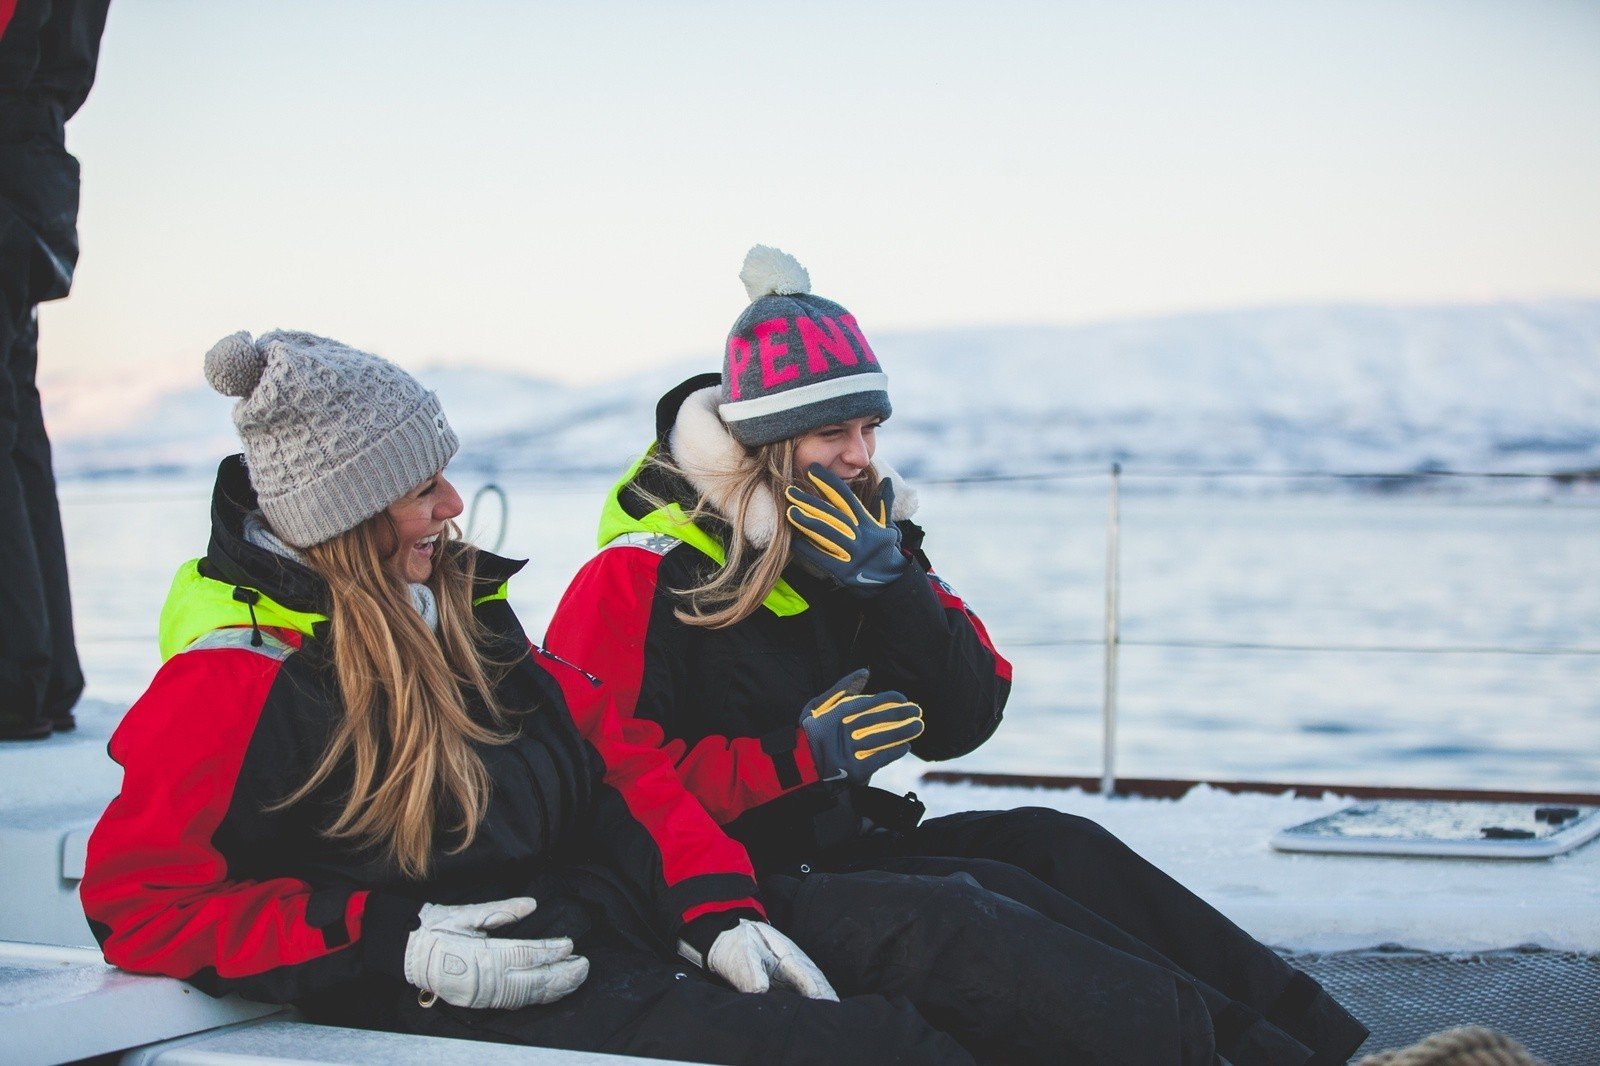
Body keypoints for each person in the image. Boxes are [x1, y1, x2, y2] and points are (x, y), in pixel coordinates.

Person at [544, 246, 1371, 1065]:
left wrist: (890, 582)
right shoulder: (637, 576)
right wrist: (793, 759)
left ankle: (1318, 1047)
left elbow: (966, 718)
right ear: (766, 444)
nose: (862, 454)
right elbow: (598, 788)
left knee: (1059, 848)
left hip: (835, 851)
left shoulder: (862, 541)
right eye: (834, 431)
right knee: (974, 921)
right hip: (724, 890)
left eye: (870, 427)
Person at [79, 330, 974, 1065]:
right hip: (438, 1006)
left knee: (900, 1028)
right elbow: (140, 904)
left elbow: (616, 768)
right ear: (347, 515)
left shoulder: (464, 618)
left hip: (586, 935)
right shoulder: (230, 682)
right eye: (421, 487)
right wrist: (393, 942)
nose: (453, 503)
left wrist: (716, 911)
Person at [0, 0, 112, 738]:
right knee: (15, 419)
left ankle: (19, 683)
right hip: (32, 158)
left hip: (19, 148)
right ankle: (35, 680)